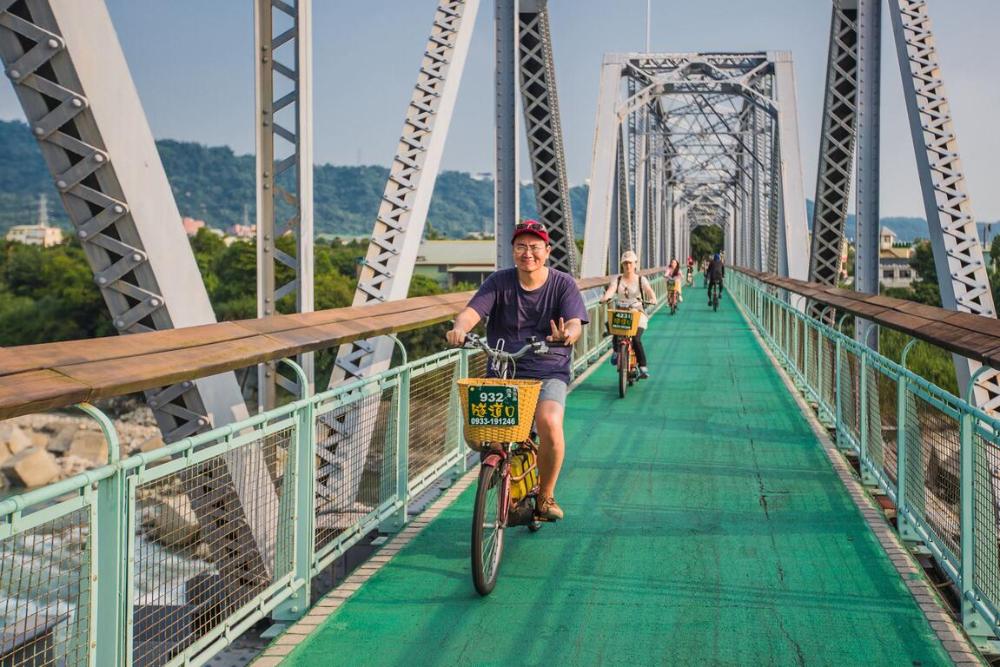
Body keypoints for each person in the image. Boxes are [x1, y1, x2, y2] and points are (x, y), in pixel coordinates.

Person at [446, 219, 588, 522]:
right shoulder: (499, 282)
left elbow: (574, 322)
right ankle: (502, 472)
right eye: (521, 246)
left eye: (535, 247)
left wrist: (568, 335)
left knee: (549, 421)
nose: (528, 253)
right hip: (503, 368)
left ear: (547, 251)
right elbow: (472, 312)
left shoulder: (563, 284)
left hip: (548, 368)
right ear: (513, 251)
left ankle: (545, 496)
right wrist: (459, 329)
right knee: (484, 432)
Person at [600, 250, 657, 379]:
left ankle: (642, 367)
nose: (628, 266)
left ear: (635, 264)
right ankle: (616, 350)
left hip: (637, 312)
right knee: (613, 325)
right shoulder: (618, 279)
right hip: (622, 311)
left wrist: (653, 298)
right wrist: (605, 298)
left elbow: (649, 290)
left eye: (630, 263)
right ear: (622, 265)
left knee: (636, 339)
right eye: (625, 263)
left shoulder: (641, 279)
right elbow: (611, 290)